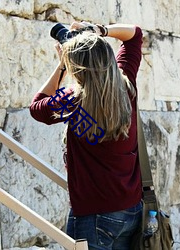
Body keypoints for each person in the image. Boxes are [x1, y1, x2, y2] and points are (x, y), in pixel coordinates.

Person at [30, 21, 143, 250]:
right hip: (131, 209)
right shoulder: (126, 87)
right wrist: (99, 30)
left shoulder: (71, 101)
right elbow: (134, 35)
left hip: (93, 216)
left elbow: (36, 107)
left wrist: (62, 65)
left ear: (76, 68)